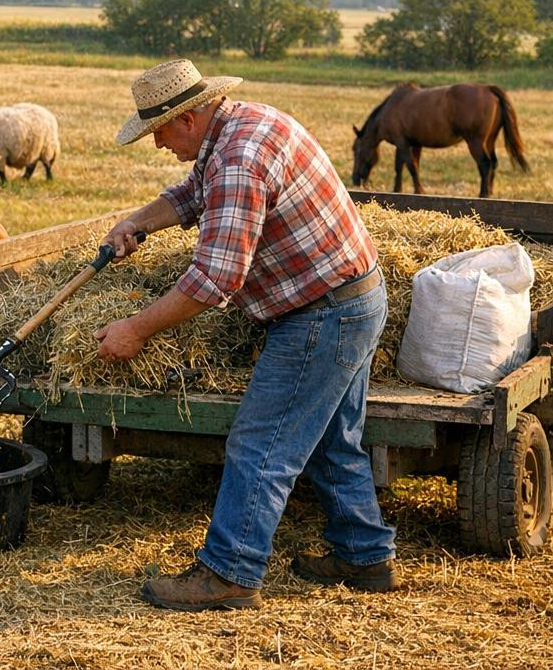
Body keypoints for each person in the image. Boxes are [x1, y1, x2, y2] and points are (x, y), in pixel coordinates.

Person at [94, 59, 398, 611]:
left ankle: (230, 573)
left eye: (158, 131)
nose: (157, 143)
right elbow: (193, 194)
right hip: (354, 296)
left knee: (261, 444)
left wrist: (134, 329)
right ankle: (364, 555)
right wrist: (136, 221)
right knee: (331, 438)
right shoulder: (241, 126)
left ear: (186, 118)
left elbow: (214, 278)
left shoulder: (238, 160)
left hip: (322, 313)